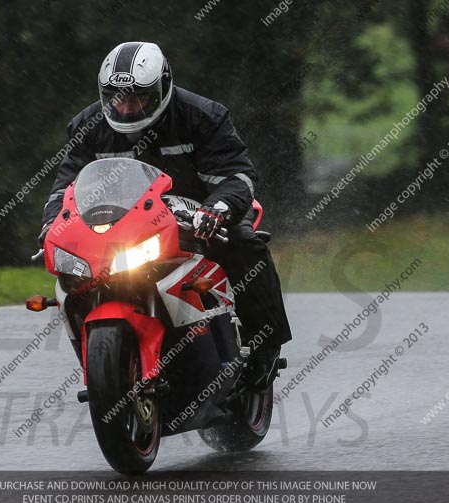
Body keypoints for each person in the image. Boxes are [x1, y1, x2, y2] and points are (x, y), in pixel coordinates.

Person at [38, 41, 291, 389]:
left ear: (162, 88)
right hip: (126, 223)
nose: (126, 107)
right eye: (116, 97)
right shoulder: (88, 125)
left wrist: (218, 209)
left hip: (202, 213)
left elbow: (238, 174)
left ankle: (265, 346)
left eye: (138, 97)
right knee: (76, 274)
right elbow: (65, 187)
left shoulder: (203, 115)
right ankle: (114, 366)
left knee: (244, 244)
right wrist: (52, 224)